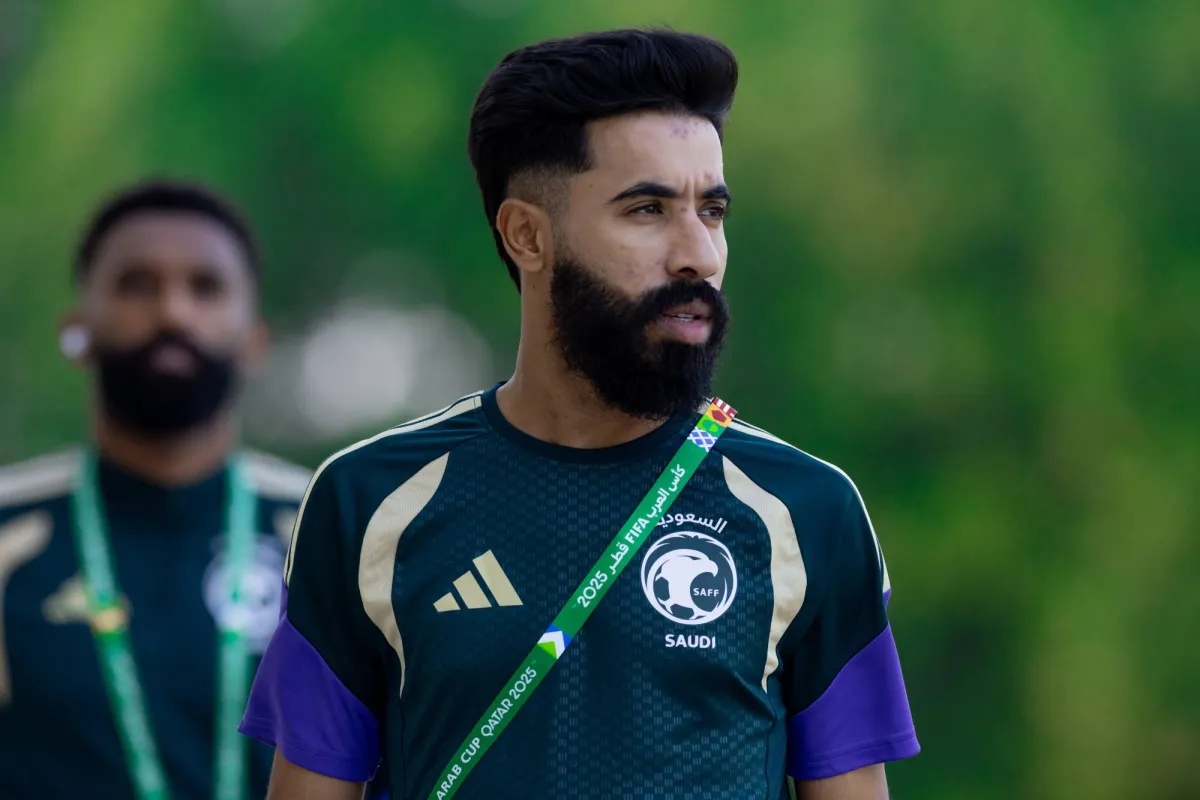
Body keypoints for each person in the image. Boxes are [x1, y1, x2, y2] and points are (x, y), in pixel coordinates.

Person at [242, 28, 920, 800]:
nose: (698, 254)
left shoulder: (809, 510)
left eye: (713, 210)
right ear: (527, 235)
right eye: (647, 210)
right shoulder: (367, 501)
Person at [0, 180, 312, 798]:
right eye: (136, 285)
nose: (173, 313)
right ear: (77, 331)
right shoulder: (10, 532)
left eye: (206, 287)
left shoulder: (336, 531)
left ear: (254, 340)